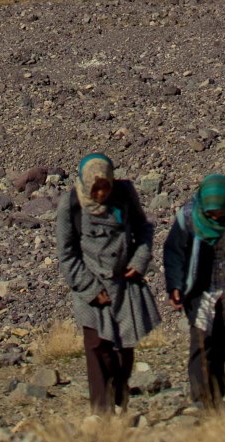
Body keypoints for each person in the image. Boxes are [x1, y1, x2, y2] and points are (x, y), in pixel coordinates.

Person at [55, 152, 159, 413]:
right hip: (91, 286)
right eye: (96, 187)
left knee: (124, 347)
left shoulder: (124, 195)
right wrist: (90, 289)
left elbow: (144, 229)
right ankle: (101, 410)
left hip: (124, 283)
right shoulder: (71, 205)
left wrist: (138, 261)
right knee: (96, 346)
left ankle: (120, 397)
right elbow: (67, 254)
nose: (101, 193)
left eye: (106, 186)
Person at [163, 173, 225, 408]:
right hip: (199, 287)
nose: (215, 217)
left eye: (219, 212)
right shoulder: (189, 217)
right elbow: (174, 252)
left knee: (221, 342)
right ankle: (200, 398)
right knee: (201, 343)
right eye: (211, 213)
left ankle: (217, 394)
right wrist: (175, 286)